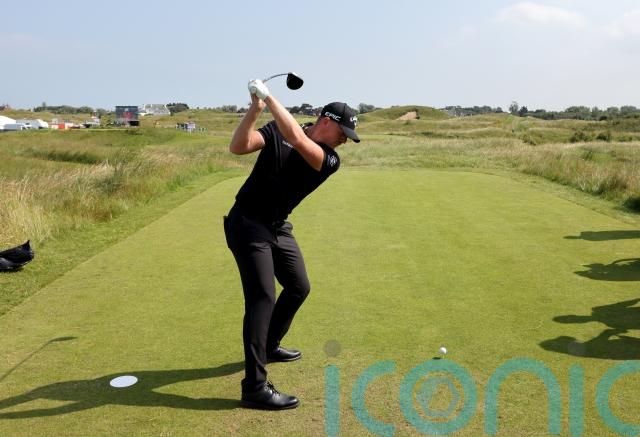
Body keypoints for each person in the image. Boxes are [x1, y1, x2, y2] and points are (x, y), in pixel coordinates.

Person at [223, 78, 360, 410]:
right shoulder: (276, 130)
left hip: (277, 226)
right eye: (343, 132)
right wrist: (255, 109)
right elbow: (238, 147)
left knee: (299, 286)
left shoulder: (329, 159)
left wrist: (269, 97)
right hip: (247, 223)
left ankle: (270, 345)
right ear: (326, 121)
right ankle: (254, 387)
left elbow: (297, 139)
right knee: (262, 298)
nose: (344, 140)